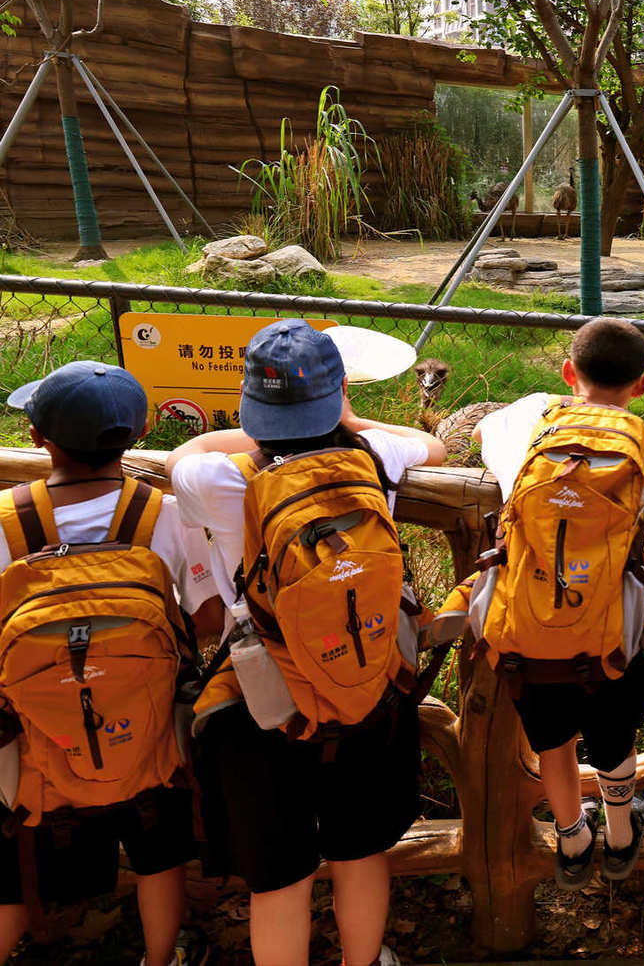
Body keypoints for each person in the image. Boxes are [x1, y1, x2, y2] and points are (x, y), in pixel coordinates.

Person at [167, 320, 446, 966]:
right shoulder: (376, 459)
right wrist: (351, 420)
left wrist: (258, 428)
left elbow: (185, 451)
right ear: (339, 391)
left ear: (251, 407)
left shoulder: (216, 477)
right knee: (360, 854)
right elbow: (432, 445)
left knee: (280, 878)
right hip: (368, 684)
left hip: (261, 700)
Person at [0, 362, 222, 966]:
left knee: (13, 871)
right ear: (141, 432)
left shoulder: (6, 521)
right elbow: (207, 618)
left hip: (34, 744)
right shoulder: (163, 515)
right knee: (159, 856)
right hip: (149, 736)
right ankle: (160, 957)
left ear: (36, 437)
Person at [472, 317, 644, 886]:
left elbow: (480, 434)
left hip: (529, 625)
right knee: (613, 740)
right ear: (641, 386)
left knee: (553, 742)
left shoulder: (527, 422)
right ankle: (620, 836)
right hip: (611, 625)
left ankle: (571, 841)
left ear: (568, 373)